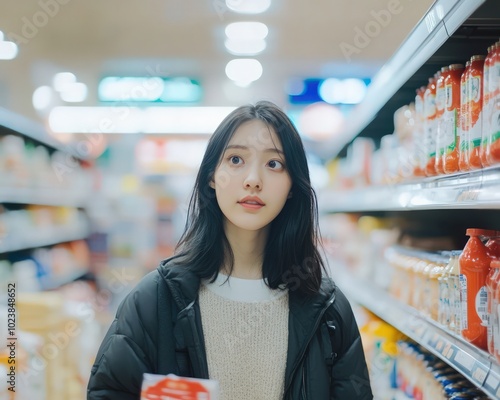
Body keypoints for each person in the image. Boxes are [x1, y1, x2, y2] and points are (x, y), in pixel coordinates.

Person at [87, 101, 373, 399]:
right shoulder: (154, 300)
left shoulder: (328, 311)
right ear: (212, 176)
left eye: (274, 164)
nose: (253, 180)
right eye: (236, 160)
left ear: (292, 187)